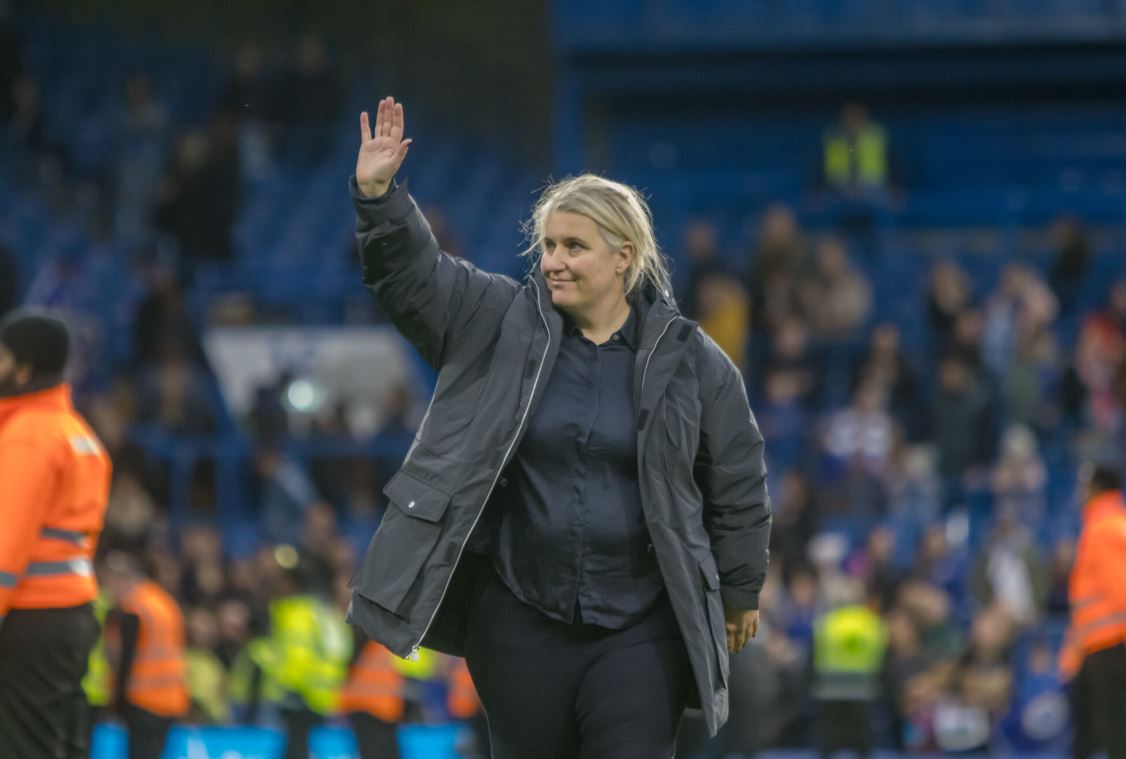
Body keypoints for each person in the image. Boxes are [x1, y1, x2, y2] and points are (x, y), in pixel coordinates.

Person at [348, 97, 771, 758]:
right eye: (547, 245)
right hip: (518, 617)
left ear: (624, 256)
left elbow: (739, 477)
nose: (554, 261)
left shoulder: (694, 361)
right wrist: (380, 198)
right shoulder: (497, 319)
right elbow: (416, 280)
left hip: (641, 623)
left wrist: (741, 586)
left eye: (574, 246)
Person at [0, 308, 112, 759]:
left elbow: (6, 543)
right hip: (70, 613)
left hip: (31, 615)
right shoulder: (77, 433)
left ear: (24, 368)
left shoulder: (27, 435)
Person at [1060, 463, 1126, 759]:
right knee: (1090, 731)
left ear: (1097, 487)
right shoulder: (1109, 524)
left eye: (1084, 485)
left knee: (1113, 730)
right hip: (1098, 645)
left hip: (1109, 645)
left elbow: (1121, 591)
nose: (1080, 492)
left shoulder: (1102, 529)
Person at [102, 552, 189, 759]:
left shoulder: (135, 608)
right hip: (171, 699)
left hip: (143, 700)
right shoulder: (161, 601)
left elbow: (127, 659)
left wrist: (119, 701)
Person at [811, 578, 889, 759]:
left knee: (829, 742)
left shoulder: (826, 623)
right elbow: (881, 661)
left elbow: (814, 659)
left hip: (829, 692)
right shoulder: (873, 624)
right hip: (864, 692)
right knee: (862, 743)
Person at [340, 636, 404, 759]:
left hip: (365, 703)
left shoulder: (363, 632)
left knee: (373, 752)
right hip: (383, 706)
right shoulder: (388, 636)